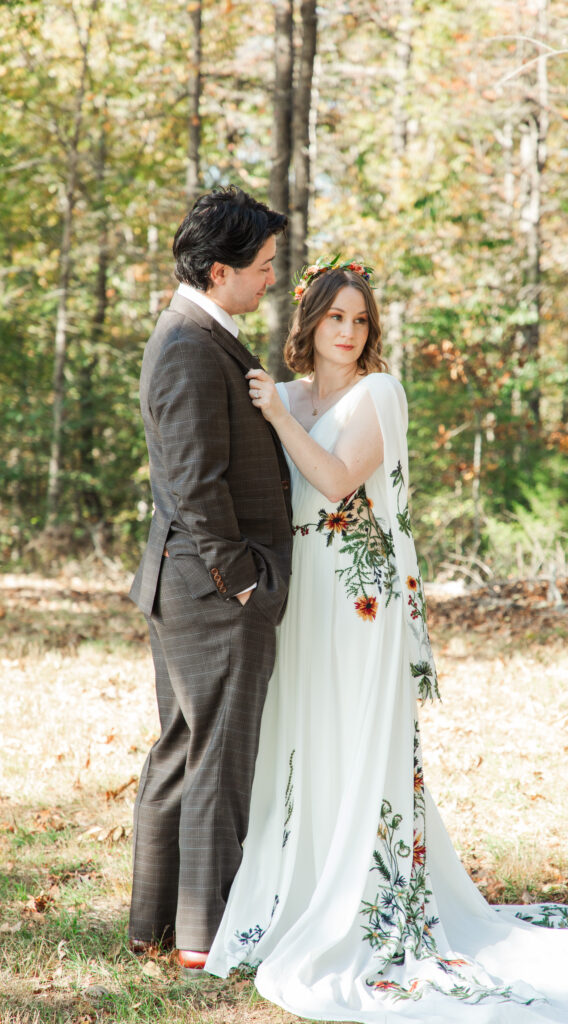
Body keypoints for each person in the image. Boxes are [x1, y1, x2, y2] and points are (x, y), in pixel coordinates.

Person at [203, 255, 568, 1021]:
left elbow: (336, 480)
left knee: (357, 737)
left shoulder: (377, 394)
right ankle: (299, 891)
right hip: (301, 592)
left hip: (359, 595)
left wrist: (279, 418)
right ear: (310, 321)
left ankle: (363, 902)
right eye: (335, 317)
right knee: (304, 736)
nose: (348, 332)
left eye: (360, 320)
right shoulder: (285, 393)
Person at [128, 186, 292, 970]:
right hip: (210, 587)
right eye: (262, 266)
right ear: (219, 270)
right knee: (217, 761)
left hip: (188, 583)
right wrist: (241, 578)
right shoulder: (190, 345)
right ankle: (204, 937)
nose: (272, 279)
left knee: (185, 750)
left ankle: (155, 926)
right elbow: (195, 482)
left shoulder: (196, 332)